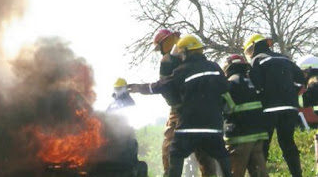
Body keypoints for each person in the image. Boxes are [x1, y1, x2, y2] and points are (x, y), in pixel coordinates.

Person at [129, 34, 232, 177]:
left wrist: (139, 88)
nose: (181, 57)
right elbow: (225, 88)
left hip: (189, 126)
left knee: (175, 154)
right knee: (221, 157)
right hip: (213, 127)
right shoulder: (215, 67)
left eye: (182, 54)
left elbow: (163, 86)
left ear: (186, 52)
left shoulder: (183, 69)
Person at [152, 29, 217, 177]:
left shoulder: (166, 60)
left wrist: (175, 105)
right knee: (204, 149)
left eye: (159, 47)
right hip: (203, 111)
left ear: (165, 43)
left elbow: (165, 89)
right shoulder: (194, 55)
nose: (160, 52)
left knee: (170, 147)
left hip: (179, 111)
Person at [243, 34, 305, 177]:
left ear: (253, 47)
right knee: (288, 143)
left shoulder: (256, 61)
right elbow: (301, 78)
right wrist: (290, 93)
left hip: (268, 109)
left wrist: (264, 95)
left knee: (263, 146)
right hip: (290, 108)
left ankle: (261, 174)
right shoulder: (285, 59)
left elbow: (255, 85)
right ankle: (297, 174)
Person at [222, 54, 269, 177]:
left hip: (239, 136)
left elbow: (223, 108)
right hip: (258, 134)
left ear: (228, 67)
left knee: (234, 172)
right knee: (259, 172)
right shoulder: (253, 82)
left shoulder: (229, 84)